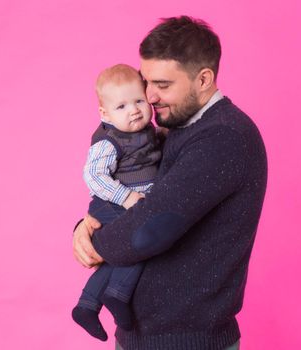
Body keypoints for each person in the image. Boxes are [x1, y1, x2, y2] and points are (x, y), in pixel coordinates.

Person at [73, 16, 267, 350]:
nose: (149, 96)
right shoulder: (176, 130)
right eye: (145, 81)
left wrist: (94, 241)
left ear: (203, 79)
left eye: (162, 85)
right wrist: (87, 225)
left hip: (187, 342)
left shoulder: (223, 137)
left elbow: (150, 228)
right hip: (147, 338)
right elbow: (139, 198)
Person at [72, 64, 162, 341]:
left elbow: (150, 151)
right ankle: (118, 295)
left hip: (129, 202)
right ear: (105, 114)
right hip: (109, 203)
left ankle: (87, 305)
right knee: (139, 240)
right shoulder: (109, 141)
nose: (134, 110)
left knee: (115, 256)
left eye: (138, 101)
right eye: (121, 106)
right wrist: (127, 197)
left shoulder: (147, 130)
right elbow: (93, 176)